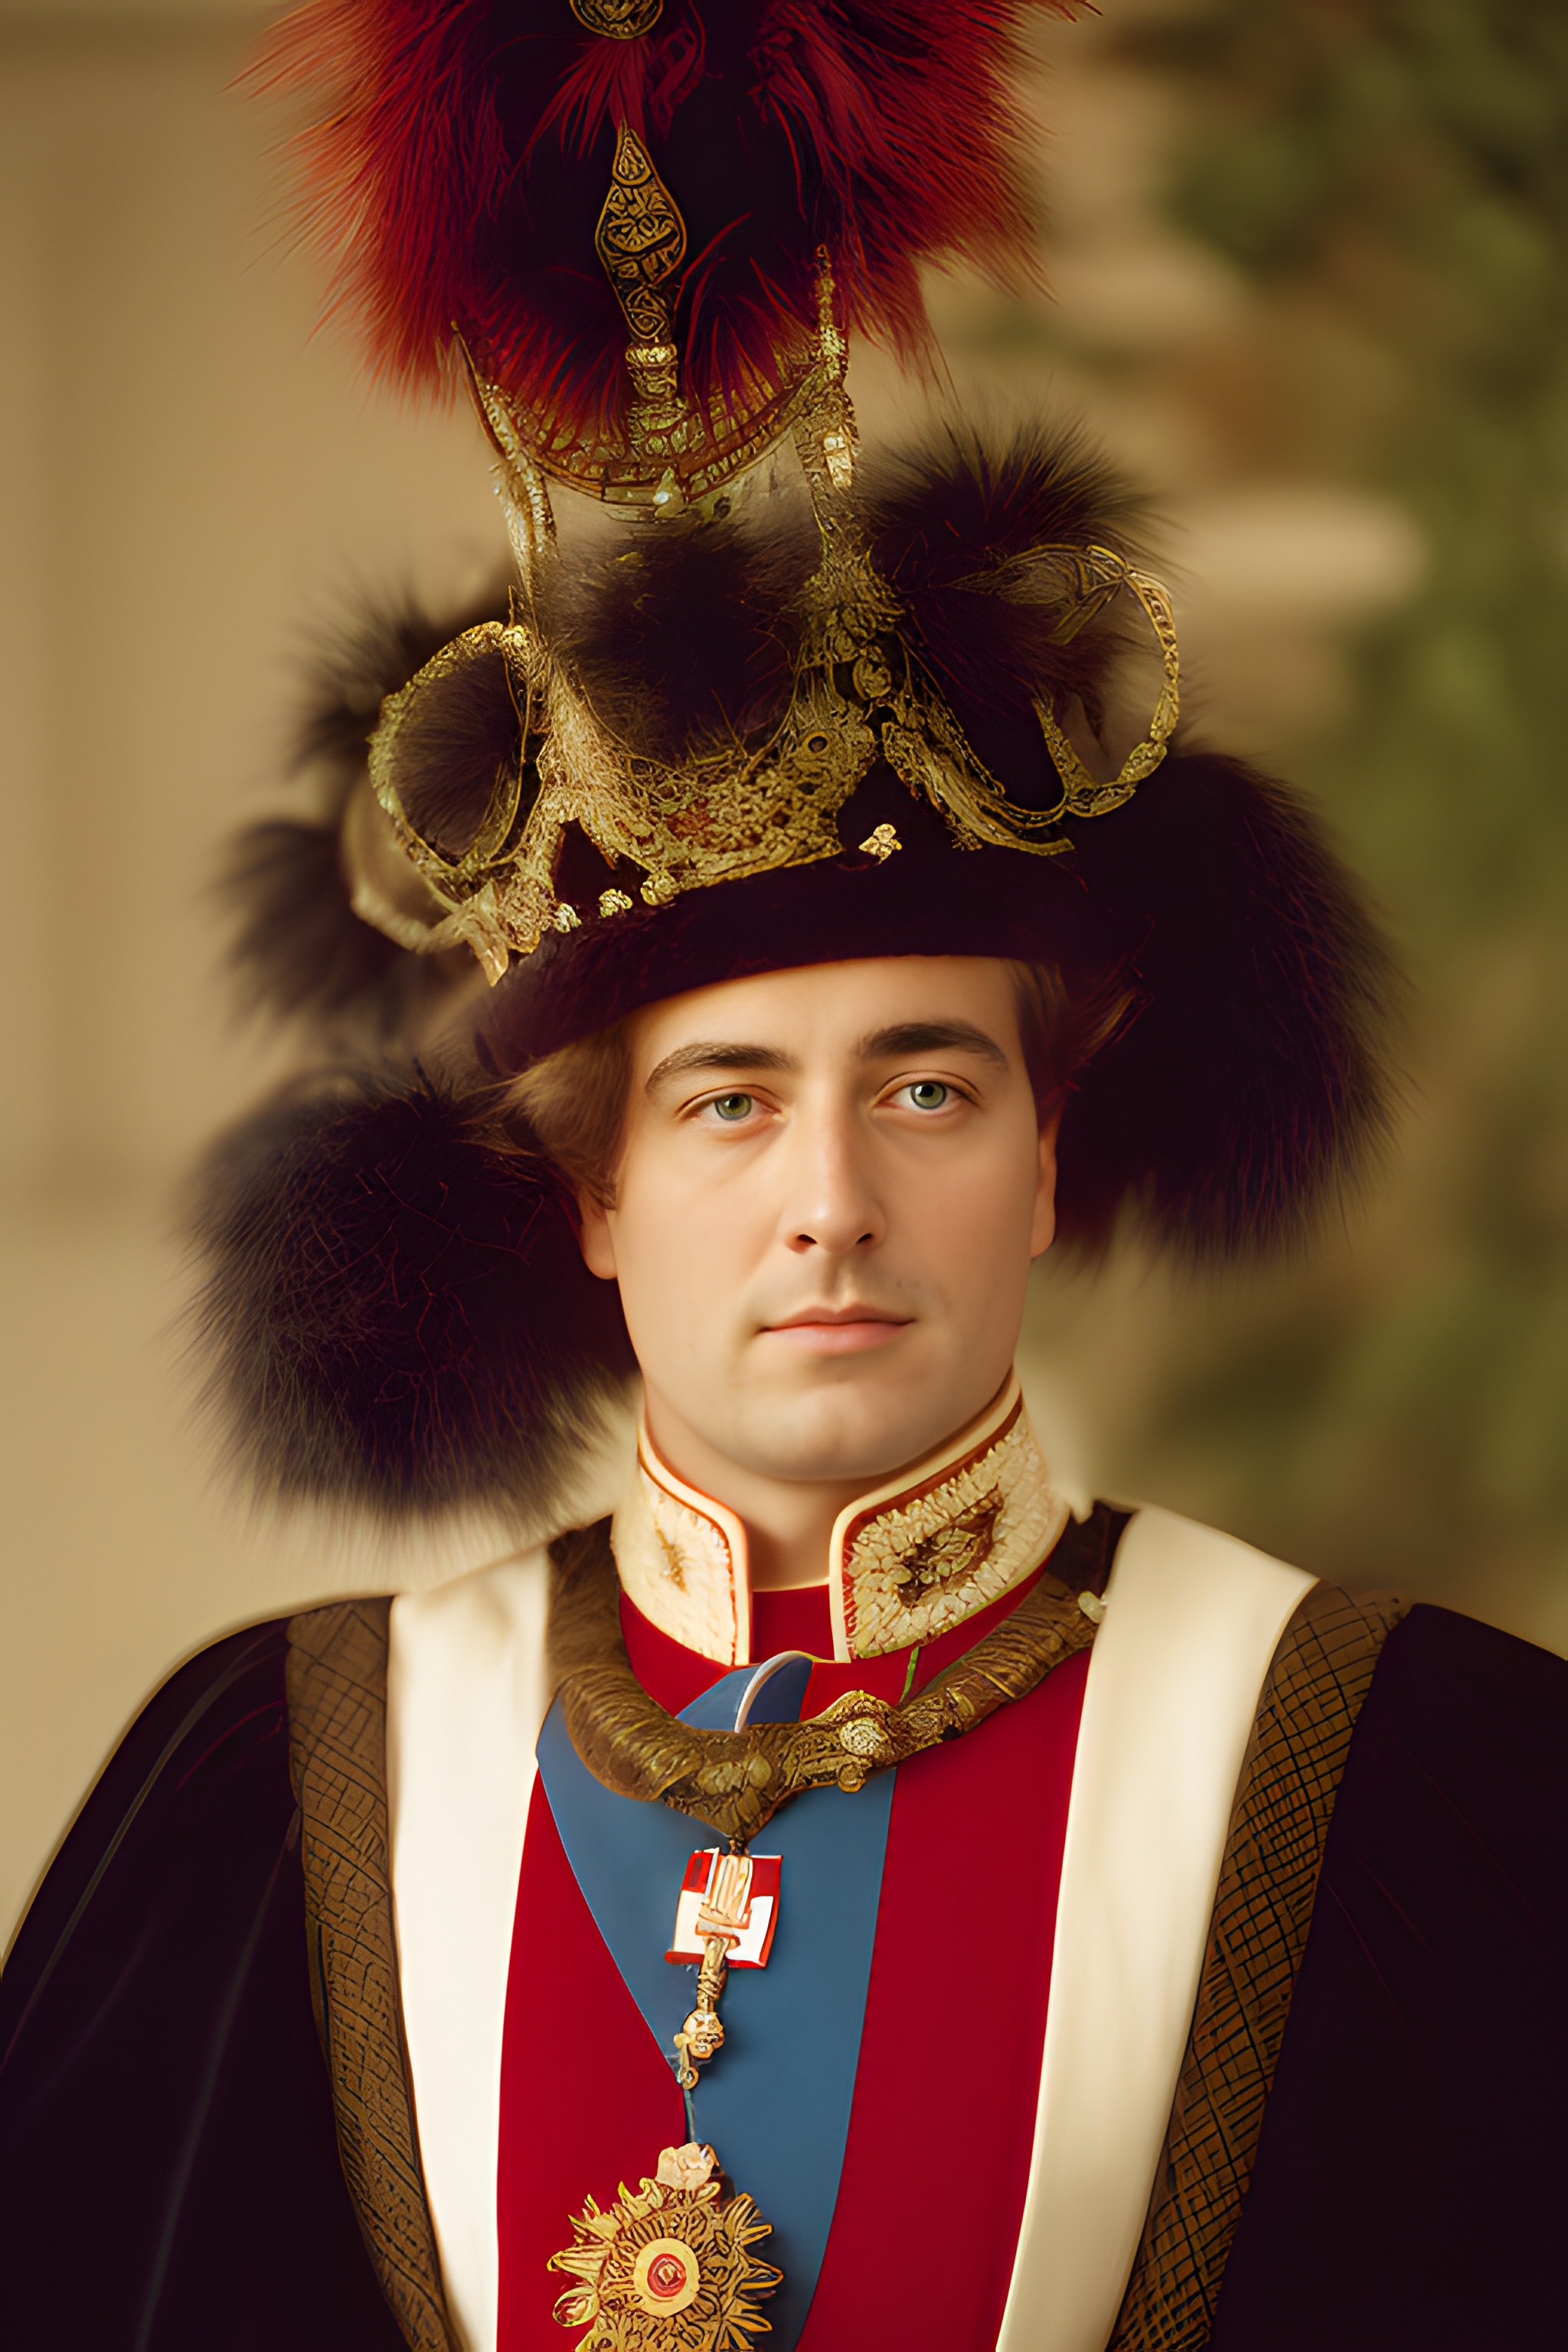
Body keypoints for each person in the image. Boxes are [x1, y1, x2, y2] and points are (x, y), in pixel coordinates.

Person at [2, 3, 1564, 2348]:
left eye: (926, 1089)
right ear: (591, 1194)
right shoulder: (273, 1800)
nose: (829, 1197)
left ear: (1050, 1154)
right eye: (728, 1101)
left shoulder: (1418, 1783)